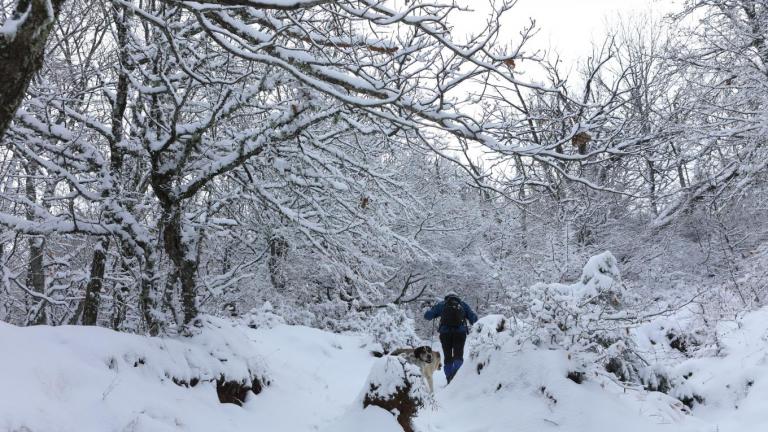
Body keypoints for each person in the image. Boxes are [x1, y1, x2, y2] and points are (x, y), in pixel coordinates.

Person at [423, 291, 478, 383]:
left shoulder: (441, 305)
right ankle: (457, 377)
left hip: (445, 334)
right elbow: (474, 319)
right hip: (460, 333)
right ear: (457, 297)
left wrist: (430, 310)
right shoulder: (463, 305)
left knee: (447, 356)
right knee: (458, 355)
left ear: (446, 297)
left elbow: (427, 316)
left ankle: (449, 377)